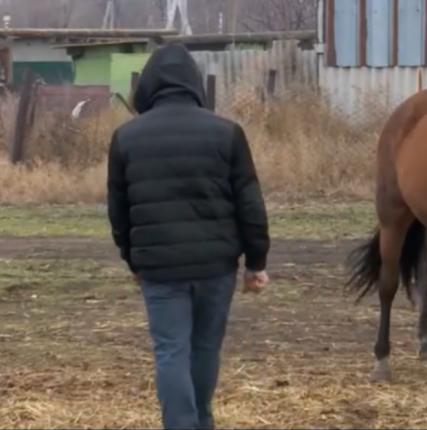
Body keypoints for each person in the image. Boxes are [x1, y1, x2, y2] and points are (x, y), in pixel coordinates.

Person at [106, 43, 271, 429]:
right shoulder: (227, 133)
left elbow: (119, 211)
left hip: (159, 269)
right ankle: (202, 420)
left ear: (148, 86)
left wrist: (133, 260)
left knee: (171, 351)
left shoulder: (126, 138)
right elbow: (250, 203)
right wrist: (255, 263)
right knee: (204, 348)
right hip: (216, 266)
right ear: (195, 83)